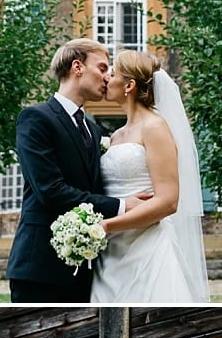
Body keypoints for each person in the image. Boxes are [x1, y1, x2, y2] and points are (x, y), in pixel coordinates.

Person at [5, 39, 151, 304]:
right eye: (103, 67)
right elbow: (50, 190)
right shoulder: (35, 118)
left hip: (86, 269)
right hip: (40, 267)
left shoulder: (93, 130)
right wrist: (121, 205)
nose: (108, 77)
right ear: (77, 67)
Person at [90, 51, 210, 304]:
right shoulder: (116, 136)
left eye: (112, 74)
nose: (106, 79)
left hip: (145, 247)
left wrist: (107, 226)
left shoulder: (155, 128)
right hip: (109, 253)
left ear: (129, 85)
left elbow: (168, 202)